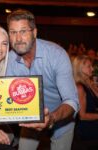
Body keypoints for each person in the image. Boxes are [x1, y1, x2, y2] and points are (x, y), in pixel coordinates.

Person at [5, 9, 79, 150]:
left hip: (61, 118)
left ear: (34, 32)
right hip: (30, 119)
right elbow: (5, 97)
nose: (18, 38)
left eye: (23, 31)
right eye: (13, 32)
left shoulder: (57, 55)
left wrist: (51, 118)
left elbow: (72, 101)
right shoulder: (8, 60)